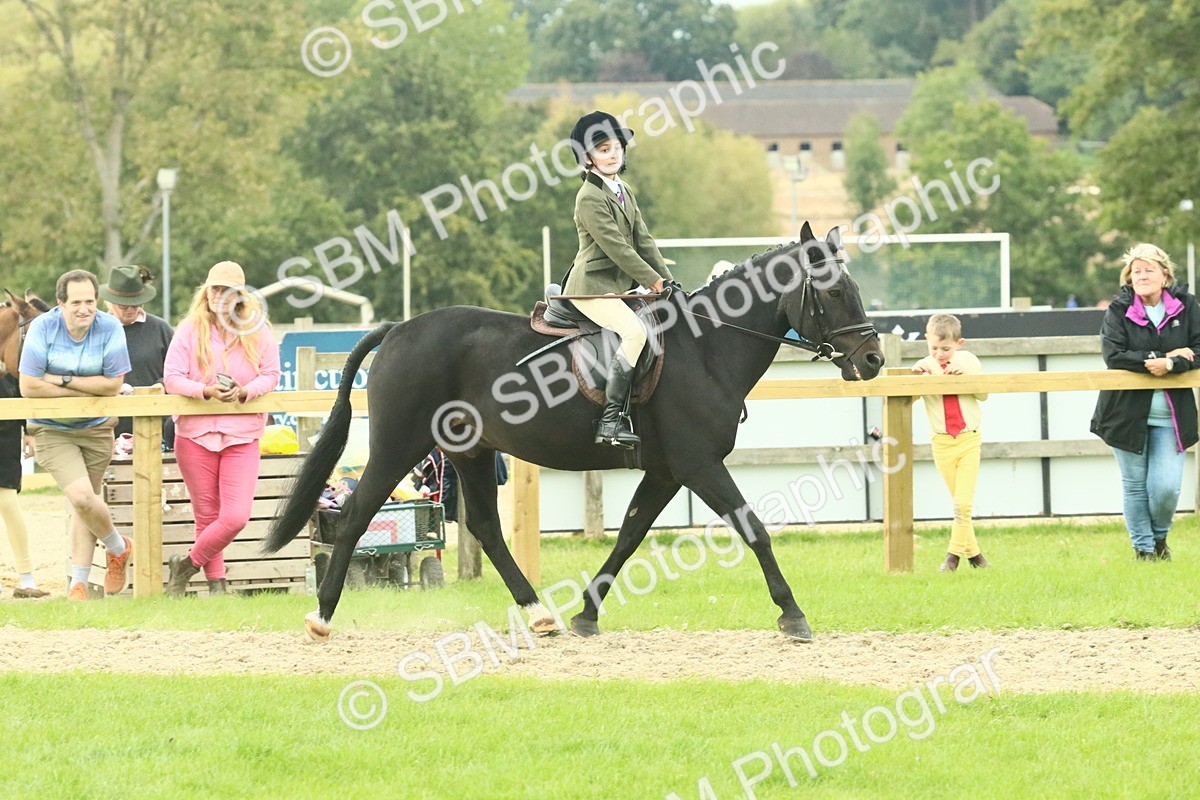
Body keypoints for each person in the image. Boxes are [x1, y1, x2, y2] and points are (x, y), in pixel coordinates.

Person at [163, 261, 280, 595]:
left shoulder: (257, 330)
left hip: (242, 432)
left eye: (227, 290)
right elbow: (172, 378)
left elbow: (271, 374)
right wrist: (204, 391)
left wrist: (245, 391)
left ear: (240, 296)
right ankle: (218, 584)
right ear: (207, 292)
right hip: (195, 432)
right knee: (207, 513)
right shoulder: (188, 330)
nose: (219, 296)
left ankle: (186, 564)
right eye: (215, 289)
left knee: (236, 516)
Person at [564, 110, 677, 448]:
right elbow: (618, 250)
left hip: (621, 288)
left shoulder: (623, 189)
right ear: (587, 158)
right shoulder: (589, 197)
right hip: (593, 288)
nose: (613, 154)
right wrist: (652, 281)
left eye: (616, 147)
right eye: (603, 149)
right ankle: (610, 420)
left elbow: (644, 241)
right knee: (634, 331)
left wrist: (668, 282)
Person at [18, 269, 132, 600]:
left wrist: (60, 380)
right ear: (60, 304)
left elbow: (112, 384)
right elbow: (28, 386)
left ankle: (78, 585)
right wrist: (88, 391)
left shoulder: (109, 327)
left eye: (90, 301)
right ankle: (118, 546)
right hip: (53, 430)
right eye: (77, 302)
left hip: (97, 429)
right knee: (81, 497)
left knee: (86, 503)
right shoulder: (43, 327)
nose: (84, 309)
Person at [1091, 244, 1200, 561]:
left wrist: (1175, 366)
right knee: (1136, 486)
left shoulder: (1188, 307)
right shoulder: (1118, 309)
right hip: (1124, 414)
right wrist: (1164, 357)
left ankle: (1159, 538)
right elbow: (1114, 356)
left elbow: (1198, 350)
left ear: (1165, 275)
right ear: (1129, 278)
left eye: (1148, 269)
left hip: (1172, 417)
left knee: (1166, 488)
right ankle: (1144, 551)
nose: (1142, 276)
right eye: (1136, 271)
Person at [912, 313, 989, 572]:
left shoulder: (969, 361)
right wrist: (917, 381)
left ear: (959, 343)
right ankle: (976, 556)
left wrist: (965, 377)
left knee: (963, 503)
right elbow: (908, 400)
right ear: (926, 341)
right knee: (957, 501)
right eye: (934, 348)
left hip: (968, 438)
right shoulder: (924, 365)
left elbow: (983, 394)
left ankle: (952, 557)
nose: (940, 354)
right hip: (942, 442)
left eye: (946, 348)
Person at [100, 264, 175, 448]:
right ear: (110, 302)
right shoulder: (97, 331)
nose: (130, 309)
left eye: (136, 303)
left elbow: (179, 369)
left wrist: (161, 385)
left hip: (157, 427)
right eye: (123, 305)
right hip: (108, 428)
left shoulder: (160, 328)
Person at [0, 373, 48, 598]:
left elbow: (24, 388)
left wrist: (29, 431)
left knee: (8, 504)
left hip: (6, 434)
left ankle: (26, 576)